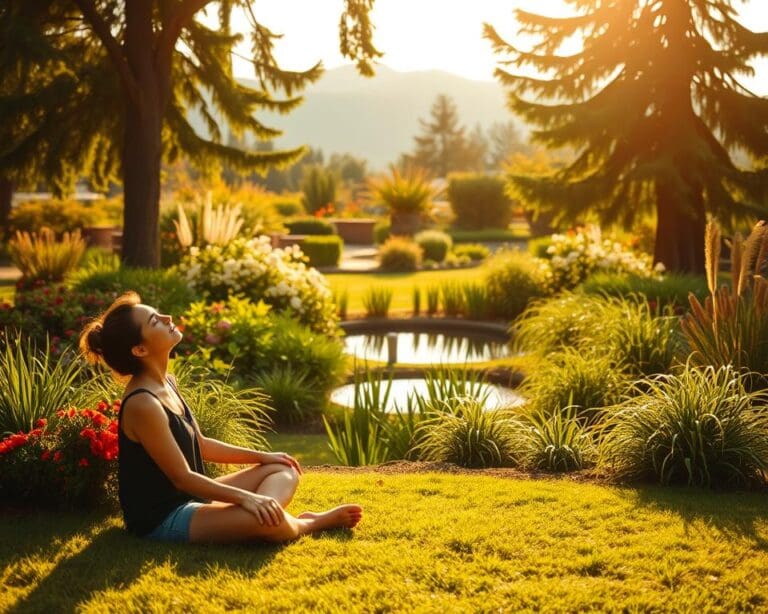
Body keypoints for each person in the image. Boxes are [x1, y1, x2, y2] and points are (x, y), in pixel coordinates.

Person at [79, 291, 362, 544]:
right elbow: (182, 479)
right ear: (140, 349)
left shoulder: (167, 383)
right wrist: (248, 498)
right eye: (155, 321)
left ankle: (267, 516)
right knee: (261, 518)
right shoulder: (143, 403)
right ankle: (307, 523)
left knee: (282, 470)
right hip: (165, 517)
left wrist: (264, 457)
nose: (167, 317)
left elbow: (200, 444)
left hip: (195, 499)